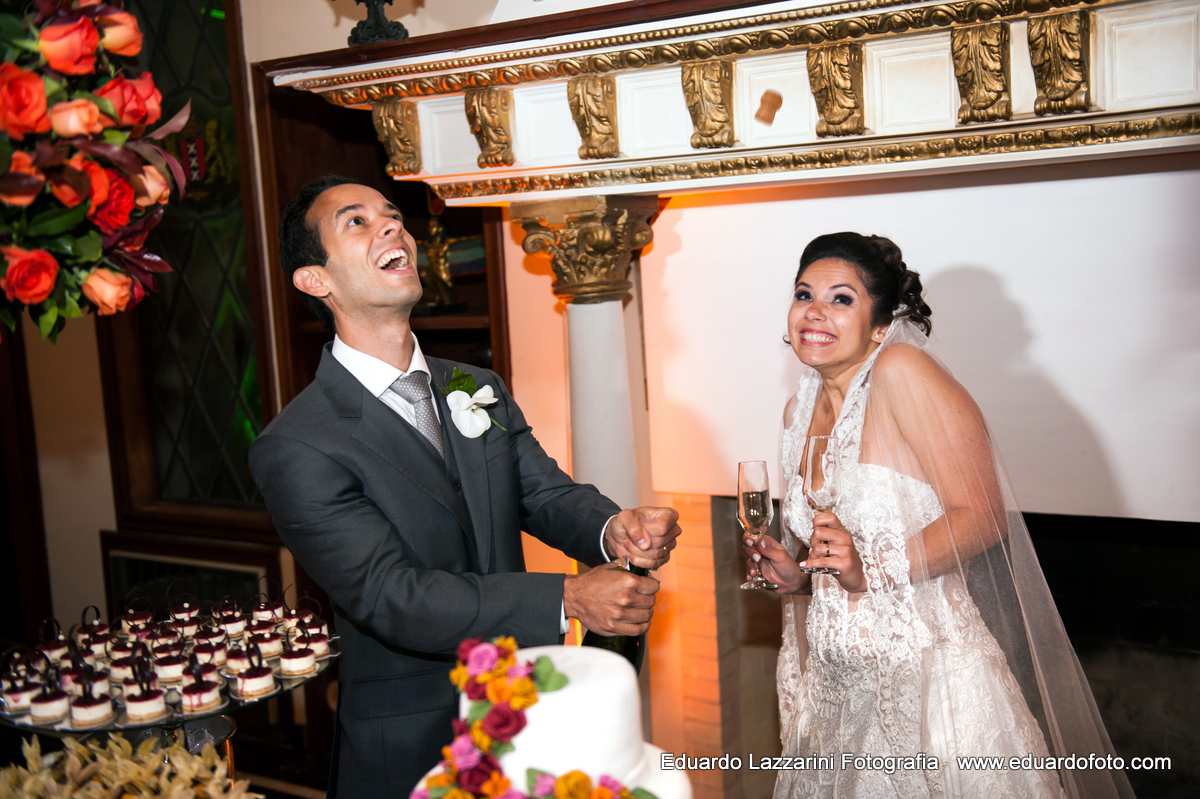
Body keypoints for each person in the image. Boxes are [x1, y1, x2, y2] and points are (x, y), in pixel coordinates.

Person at [248, 176, 681, 799]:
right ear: (315, 280)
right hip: (411, 742)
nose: (392, 227)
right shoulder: (298, 445)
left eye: (393, 215)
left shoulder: (473, 385)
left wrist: (615, 528)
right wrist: (571, 597)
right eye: (357, 222)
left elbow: (543, 494)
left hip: (528, 713)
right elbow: (392, 597)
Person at [745, 233, 1133, 798]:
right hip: (835, 691)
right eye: (805, 293)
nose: (814, 310)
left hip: (933, 686)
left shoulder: (902, 371)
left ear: (880, 324)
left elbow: (982, 513)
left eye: (841, 298)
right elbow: (840, 556)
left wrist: (870, 569)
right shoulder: (797, 405)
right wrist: (800, 576)